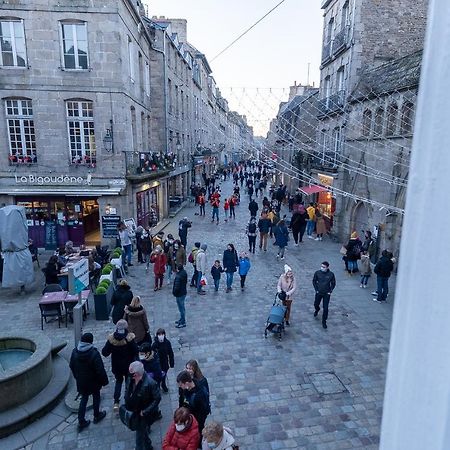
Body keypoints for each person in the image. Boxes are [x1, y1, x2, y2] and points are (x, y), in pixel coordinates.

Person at [69, 332, 108, 431]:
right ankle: (96, 415)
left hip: (81, 381)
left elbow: (71, 366)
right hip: (94, 381)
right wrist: (104, 381)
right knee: (96, 396)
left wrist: (77, 376)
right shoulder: (94, 353)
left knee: (84, 399)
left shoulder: (75, 352)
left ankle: (81, 421)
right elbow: (100, 370)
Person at [102, 319, 139, 412]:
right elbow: (136, 351)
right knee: (128, 384)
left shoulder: (112, 339)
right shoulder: (129, 338)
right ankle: (127, 401)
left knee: (118, 382)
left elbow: (105, 352)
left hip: (116, 366)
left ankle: (116, 402)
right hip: (128, 366)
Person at [125, 361, 162, 450]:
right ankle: (148, 446)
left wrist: (145, 411)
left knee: (139, 436)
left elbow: (157, 399)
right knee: (142, 432)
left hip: (143, 414)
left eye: (131, 372)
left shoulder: (150, 383)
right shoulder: (131, 379)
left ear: (136, 374)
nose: (128, 373)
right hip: (133, 410)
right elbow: (127, 389)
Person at [177, 370, 210, 441]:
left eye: (180, 385)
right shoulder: (185, 388)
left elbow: (202, 414)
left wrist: (192, 422)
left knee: (198, 432)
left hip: (196, 419)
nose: (180, 387)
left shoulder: (199, 396)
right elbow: (181, 399)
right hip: (188, 415)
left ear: (186, 383)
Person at [313, 261, 336, 329]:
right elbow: (314, 281)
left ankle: (324, 321)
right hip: (319, 292)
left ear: (327, 267)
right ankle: (317, 309)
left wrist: (330, 291)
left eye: (323, 267)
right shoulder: (317, 273)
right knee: (316, 304)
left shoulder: (331, 274)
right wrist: (316, 289)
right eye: (321, 266)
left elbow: (333, 283)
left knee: (325, 308)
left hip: (326, 293)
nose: (322, 268)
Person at [151, 328, 174, 393]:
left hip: (164, 362)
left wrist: (171, 363)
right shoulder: (155, 344)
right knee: (157, 376)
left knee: (164, 375)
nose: (161, 335)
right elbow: (152, 354)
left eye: (162, 334)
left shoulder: (167, 343)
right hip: (157, 363)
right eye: (159, 334)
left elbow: (170, 353)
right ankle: (157, 386)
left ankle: (163, 384)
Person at [173, 264, 188, 328]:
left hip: (179, 294)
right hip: (184, 292)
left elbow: (176, 287)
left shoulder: (178, 276)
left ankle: (183, 322)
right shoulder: (184, 273)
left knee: (181, 308)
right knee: (182, 308)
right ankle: (181, 319)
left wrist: (174, 293)